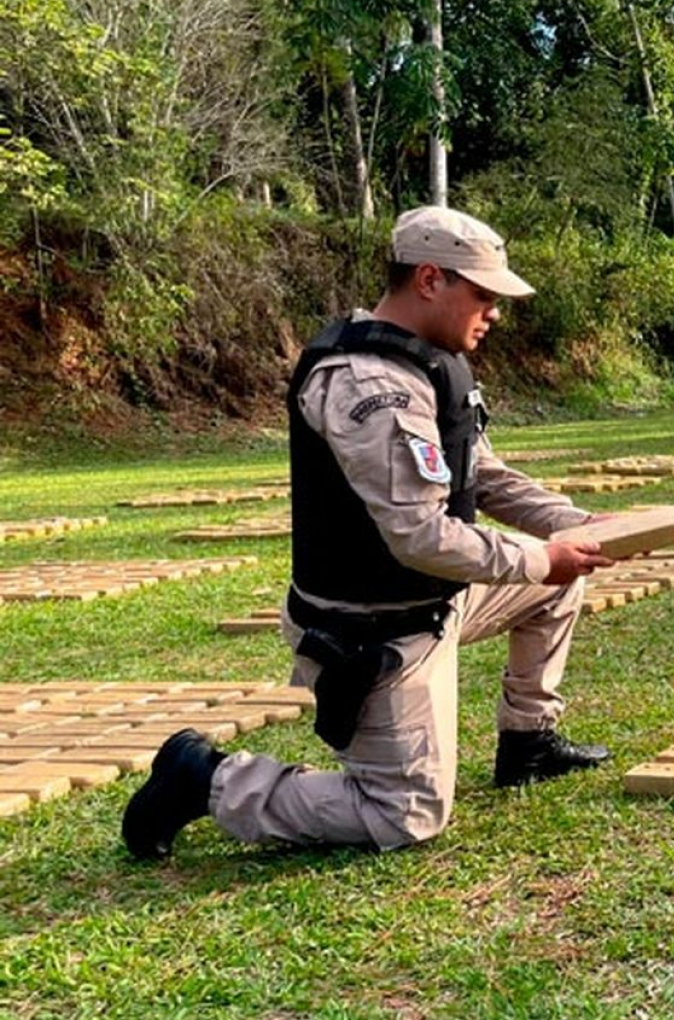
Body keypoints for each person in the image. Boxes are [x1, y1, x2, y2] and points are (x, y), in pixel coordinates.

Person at [123, 206, 618, 860]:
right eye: (484, 294)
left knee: (556, 584)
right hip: (374, 632)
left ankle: (527, 741)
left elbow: (483, 473)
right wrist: (537, 556)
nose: (495, 311)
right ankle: (206, 778)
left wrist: (566, 525)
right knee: (404, 813)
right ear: (431, 280)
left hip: (434, 600)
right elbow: (420, 535)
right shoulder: (367, 385)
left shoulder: (429, 364)